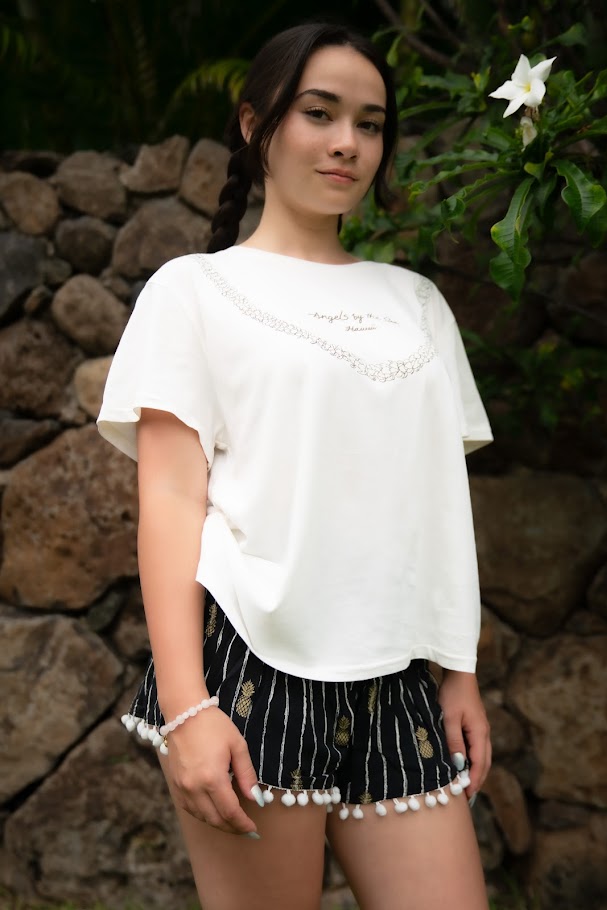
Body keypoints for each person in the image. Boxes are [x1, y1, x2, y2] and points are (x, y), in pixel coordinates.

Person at [98, 21, 493, 910]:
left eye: (370, 123)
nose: (347, 141)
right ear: (255, 124)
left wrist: (459, 672)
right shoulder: (192, 291)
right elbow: (171, 500)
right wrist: (189, 710)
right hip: (249, 669)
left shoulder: (417, 304)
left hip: (396, 681)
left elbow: (438, 504)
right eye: (319, 113)